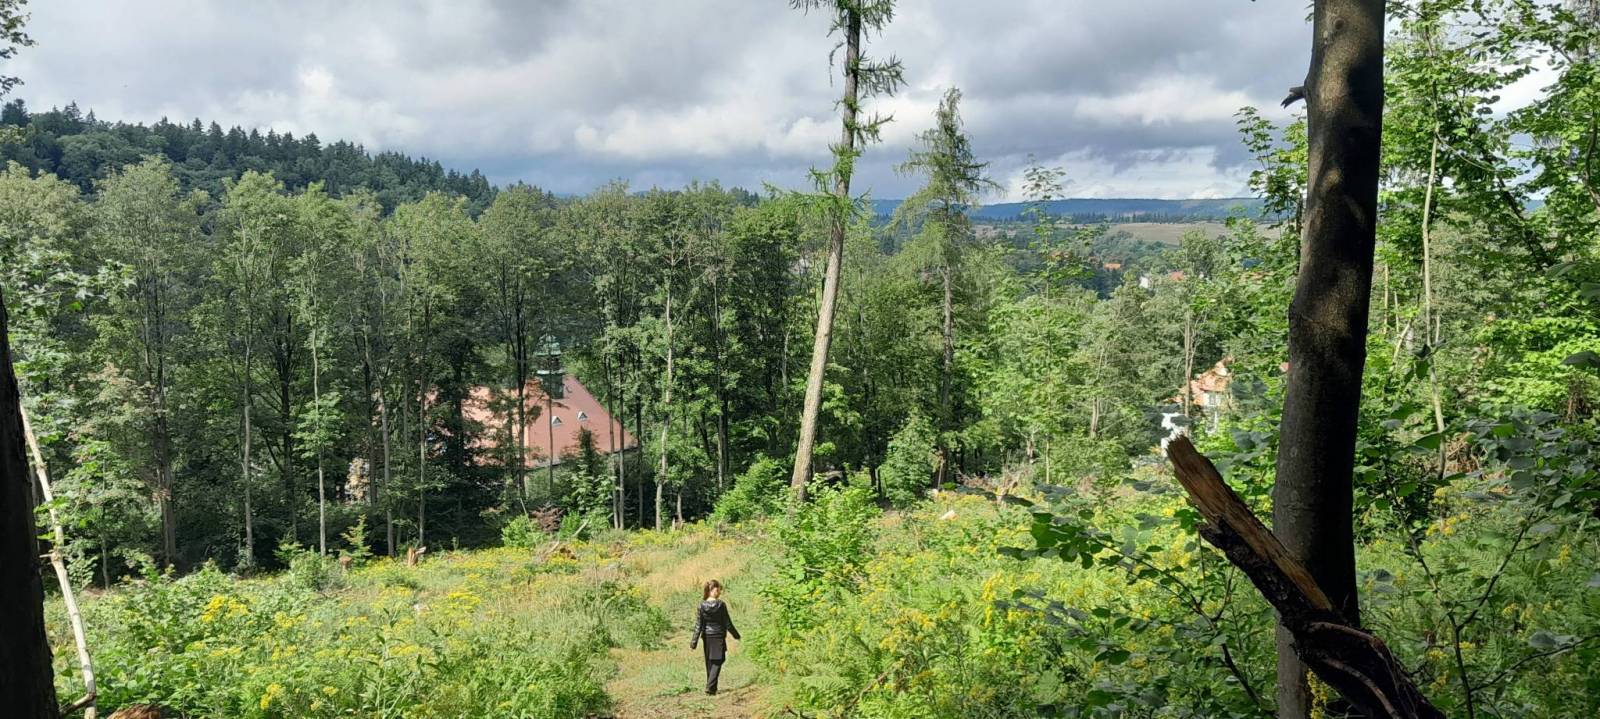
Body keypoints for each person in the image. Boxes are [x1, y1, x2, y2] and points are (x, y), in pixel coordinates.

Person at [689, 579, 740, 695]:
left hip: (707, 637)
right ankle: (710, 687)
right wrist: (736, 635)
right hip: (718, 636)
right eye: (718, 590)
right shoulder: (721, 605)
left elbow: (698, 626)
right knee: (718, 660)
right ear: (711, 590)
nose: (719, 592)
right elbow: (727, 623)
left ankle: (712, 689)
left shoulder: (701, 605)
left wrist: (693, 643)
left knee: (710, 662)